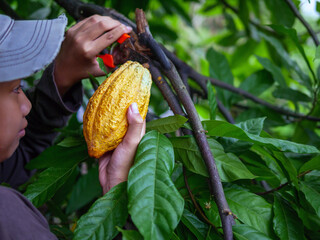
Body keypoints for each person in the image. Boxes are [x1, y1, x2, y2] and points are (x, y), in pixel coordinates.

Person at [0, 13, 145, 239]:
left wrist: (62, 77)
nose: (26, 105)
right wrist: (121, 196)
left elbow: (21, 156)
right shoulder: (6, 214)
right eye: (16, 89)